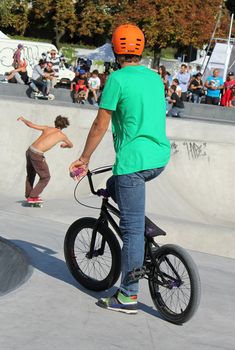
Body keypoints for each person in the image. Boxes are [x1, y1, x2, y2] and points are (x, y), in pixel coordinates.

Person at [69, 24, 170, 314]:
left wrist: (84, 158)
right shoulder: (155, 78)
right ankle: (144, 227)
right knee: (114, 188)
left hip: (133, 163)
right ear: (141, 50)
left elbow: (101, 123)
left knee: (130, 230)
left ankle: (127, 295)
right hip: (159, 157)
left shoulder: (117, 79)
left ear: (115, 50)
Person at [17, 115, 73, 203]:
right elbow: (71, 145)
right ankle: (33, 196)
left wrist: (23, 119)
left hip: (29, 151)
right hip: (37, 154)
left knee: (31, 174)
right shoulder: (62, 136)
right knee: (46, 177)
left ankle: (29, 194)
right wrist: (65, 145)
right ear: (65, 126)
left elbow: (31, 124)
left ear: (55, 122)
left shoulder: (47, 128)